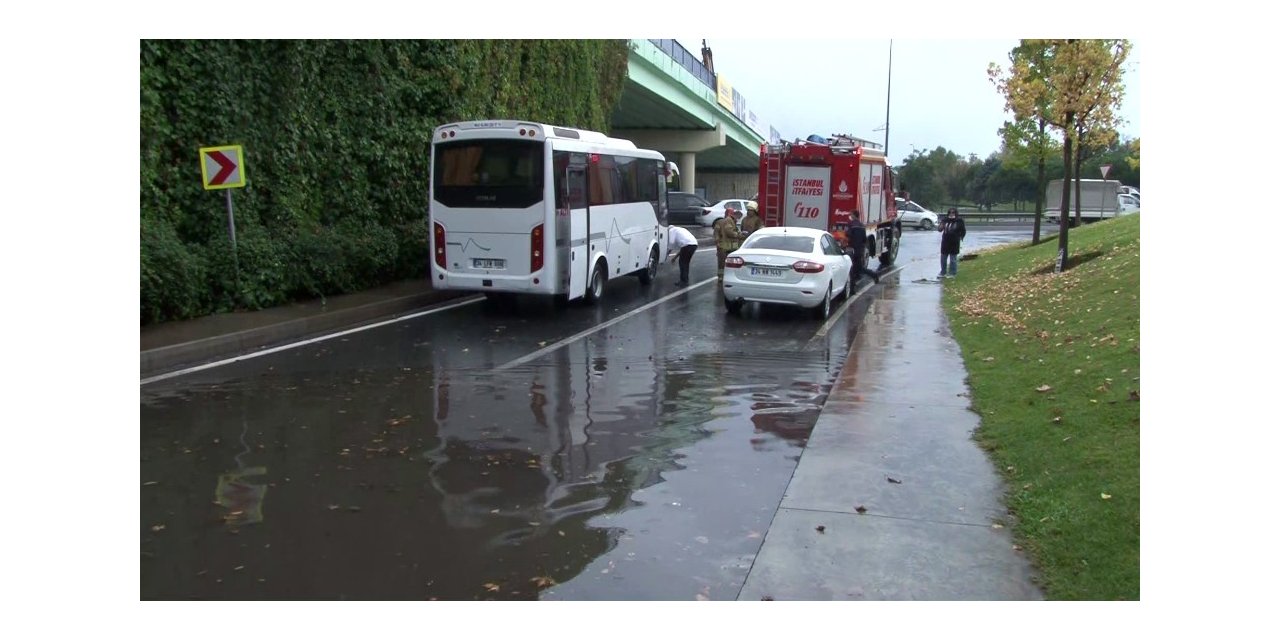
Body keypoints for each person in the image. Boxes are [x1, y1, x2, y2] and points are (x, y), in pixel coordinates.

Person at [844, 210, 880, 290]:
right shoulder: (862, 225)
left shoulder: (851, 224)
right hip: (859, 249)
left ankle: (852, 288)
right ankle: (873, 275)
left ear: (853, 215)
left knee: (852, 269)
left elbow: (847, 234)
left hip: (852, 249)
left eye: (851, 214)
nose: (850, 216)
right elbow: (864, 239)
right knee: (859, 268)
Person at [713, 207, 744, 281]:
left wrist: (717, 243)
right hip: (728, 247)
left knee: (721, 263)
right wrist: (739, 235)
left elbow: (716, 233)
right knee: (729, 263)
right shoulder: (729, 221)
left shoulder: (720, 222)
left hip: (722, 246)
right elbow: (730, 232)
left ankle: (720, 277)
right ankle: (726, 277)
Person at [938, 207, 967, 278]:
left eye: (953, 212)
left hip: (954, 242)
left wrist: (960, 237)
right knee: (943, 258)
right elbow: (940, 229)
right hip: (945, 242)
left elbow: (963, 231)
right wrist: (941, 224)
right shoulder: (945, 220)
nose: (951, 214)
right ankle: (943, 272)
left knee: (953, 259)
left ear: (955, 213)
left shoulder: (959, 221)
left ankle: (952, 273)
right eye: (950, 212)